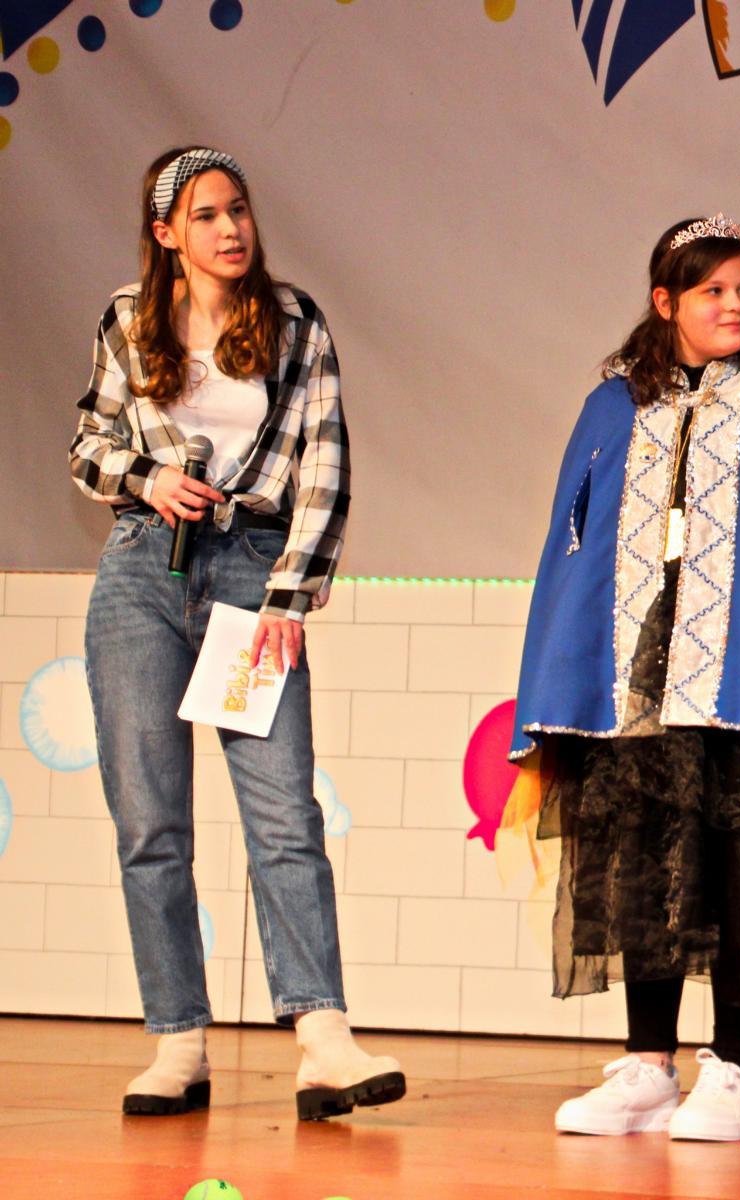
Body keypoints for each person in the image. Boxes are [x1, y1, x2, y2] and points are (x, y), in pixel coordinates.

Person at [510, 215, 740, 1143]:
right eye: (712, 291)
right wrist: (563, 671)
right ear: (665, 302)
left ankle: (733, 1069)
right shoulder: (612, 408)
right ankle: (646, 1066)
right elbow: (572, 549)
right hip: (639, 680)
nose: (734, 305)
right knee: (641, 865)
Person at [69, 146, 402, 1121]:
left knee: (283, 814)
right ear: (167, 233)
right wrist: (146, 478)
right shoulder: (128, 317)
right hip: (143, 573)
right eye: (207, 215)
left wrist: (288, 598)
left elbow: (324, 466)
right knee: (150, 822)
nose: (230, 229)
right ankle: (178, 1041)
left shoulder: (293, 322)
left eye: (239, 210)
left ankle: (323, 1040)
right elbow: (88, 444)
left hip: (250, 577)